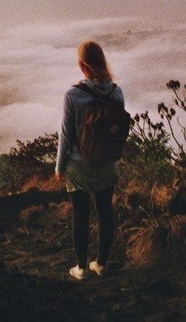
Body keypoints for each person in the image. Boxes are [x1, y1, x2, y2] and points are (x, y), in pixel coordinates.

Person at [55, 40, 123, 280]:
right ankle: (101, 264)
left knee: (80, 216)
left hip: (79, 164)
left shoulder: (73, 95)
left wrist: (59, 166)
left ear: (82, 65)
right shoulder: (116, 91)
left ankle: (81, 268)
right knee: (105, 213)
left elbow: (66, 134)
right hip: (108, 162)